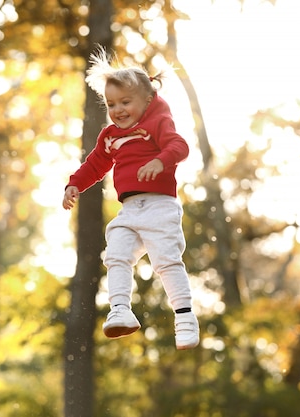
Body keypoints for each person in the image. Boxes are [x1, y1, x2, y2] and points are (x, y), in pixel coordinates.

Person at [62, 47, 199, 350]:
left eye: (126, 102)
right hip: (129, 210)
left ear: (148, 100)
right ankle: (120, 311)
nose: (118, 109)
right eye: (111, 104)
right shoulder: (110, 136)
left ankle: (186, 317)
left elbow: (179, 145)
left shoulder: (156, 124)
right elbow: (95, 164)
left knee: (166, 261)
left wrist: (161, 161)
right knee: (116, 254)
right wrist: (74, 185)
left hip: (159, 206)